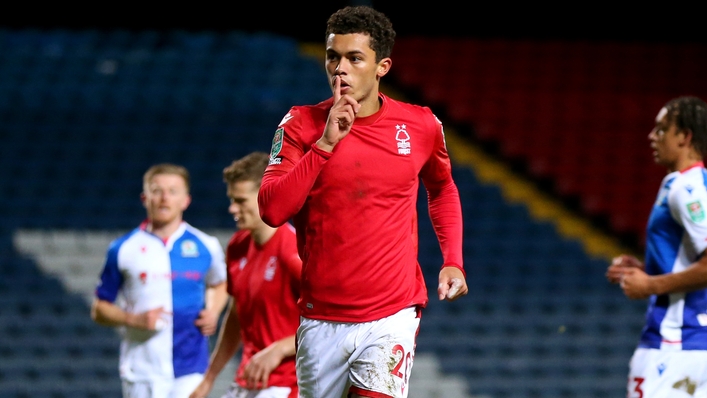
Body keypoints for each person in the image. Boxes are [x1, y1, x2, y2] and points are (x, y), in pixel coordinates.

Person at [257, 5, 468, 398]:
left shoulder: (421, 125)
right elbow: (272, 210)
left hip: (391, 314)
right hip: (321, 318)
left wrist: (452, 259)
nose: (340, 68)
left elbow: (442, 189)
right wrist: (325, 145)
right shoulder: (300, 124)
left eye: (354, 58)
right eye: (332, 57)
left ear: (381, 66)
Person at [91, 163, 229, 398]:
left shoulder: (206, 245)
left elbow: (221, 282)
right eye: (157, 190)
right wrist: (132, 318)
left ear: (186, 200)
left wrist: (214, 310)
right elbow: (99, 309)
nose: (165, 198)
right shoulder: (123, 249)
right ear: (145, 198)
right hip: (142, 370)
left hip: (190, 369)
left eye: (173, 191)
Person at [606, 96, 707, 397]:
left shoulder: (686, 189)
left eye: (662, 129)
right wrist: (646, 269)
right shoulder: (690, 184)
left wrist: (651, 284)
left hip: (676, 345)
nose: (652, 137)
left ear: (684, 137)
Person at [190, 152, 301, 398]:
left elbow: (330, 320)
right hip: (247, 380)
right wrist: (209, 378)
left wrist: (279, 349)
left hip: (288, 384)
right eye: (231, 199)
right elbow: (236, 313)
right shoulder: (237, 246)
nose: (232, 208)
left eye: (240, 201)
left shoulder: (294, 252)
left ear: (266, 196)